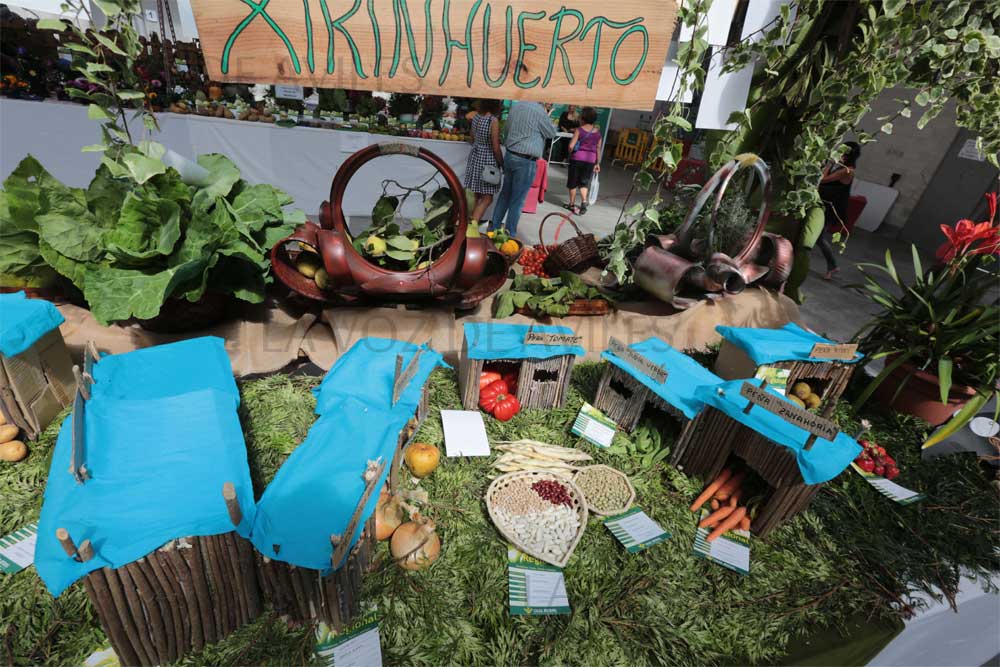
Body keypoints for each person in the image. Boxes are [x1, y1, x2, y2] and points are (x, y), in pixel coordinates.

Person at [489, 101, 556, 236]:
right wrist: (547, 115)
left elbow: (506, 130)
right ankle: (509, 234)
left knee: (505, 196)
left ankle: (494, 229)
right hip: (525, 159)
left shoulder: (516, 106)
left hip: (511, 154)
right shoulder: (539, 111)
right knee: (517, 200)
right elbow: (551, 133)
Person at [816, 141, 861, 280]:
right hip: (827, 204)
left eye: (842, 151)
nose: (839, 152)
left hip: (832, 207)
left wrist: (830, 163)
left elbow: (822, 180)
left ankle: (833, 266)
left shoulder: (846, 170)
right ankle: (832, 266)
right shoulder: (844, 167)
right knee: (818, 237)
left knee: (819, 238)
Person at [463, 99, 504, 222]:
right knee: (487, 197)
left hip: (475, 157)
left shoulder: (476, 117)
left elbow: (472, 137)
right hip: (488, 161)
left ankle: (468, 224)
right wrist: (502, 163)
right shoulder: (493, 121)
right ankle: (472, 225)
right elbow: (495, 146)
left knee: (476, 195)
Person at [563, 107, 602, 215]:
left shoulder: (579, 130)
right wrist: (597, 163)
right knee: (583, 182)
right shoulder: (598, 133)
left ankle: (571, 204)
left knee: (573, 182)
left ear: (583, 118)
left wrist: (571, 151)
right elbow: (598, 148)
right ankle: (584, 202)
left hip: (577, 159)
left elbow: (571, 146)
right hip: (590, 160)